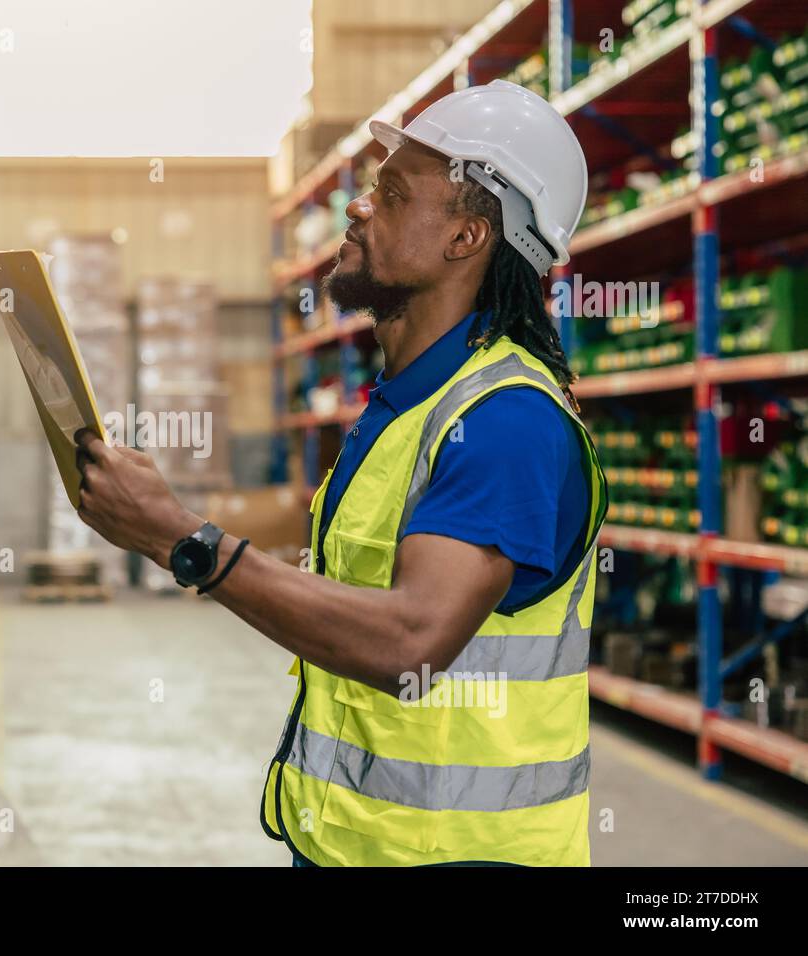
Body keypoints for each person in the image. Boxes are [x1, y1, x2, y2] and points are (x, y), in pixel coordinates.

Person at [72, 80, 607, 867]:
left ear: (467, 237)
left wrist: (182, 539)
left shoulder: (506, 422)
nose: (359, 207)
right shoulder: (403, 408)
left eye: (392, 194)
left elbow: (412, 641)